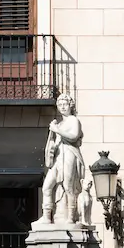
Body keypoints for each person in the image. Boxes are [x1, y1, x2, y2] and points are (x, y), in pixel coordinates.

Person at [40, 92, 84, 226]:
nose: (62, 107)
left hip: (69, 154)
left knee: (68, 186)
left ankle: (71, 217)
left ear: (70, 105)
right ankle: (47, 217)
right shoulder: (58, 124)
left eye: (65, 104)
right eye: (60, 105)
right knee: (46, 187)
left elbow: (74, 136)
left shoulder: (74, 120)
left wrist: (56, 130)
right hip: (58, 158)